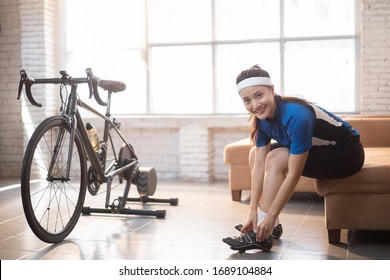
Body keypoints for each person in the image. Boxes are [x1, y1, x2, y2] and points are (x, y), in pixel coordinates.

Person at [222, 65, 365, 252]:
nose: (255, 105)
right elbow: (258, 165)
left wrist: (271, 214)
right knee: (254, 154)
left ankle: (261, 235)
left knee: (276, 158)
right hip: (321, 151)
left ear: (272, 90)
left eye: (259, 95)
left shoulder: (297, 116)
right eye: (247, 100)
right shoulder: (261, 118)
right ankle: (271, 227)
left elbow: (294, 174)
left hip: (346, 154)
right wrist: (252, 210)